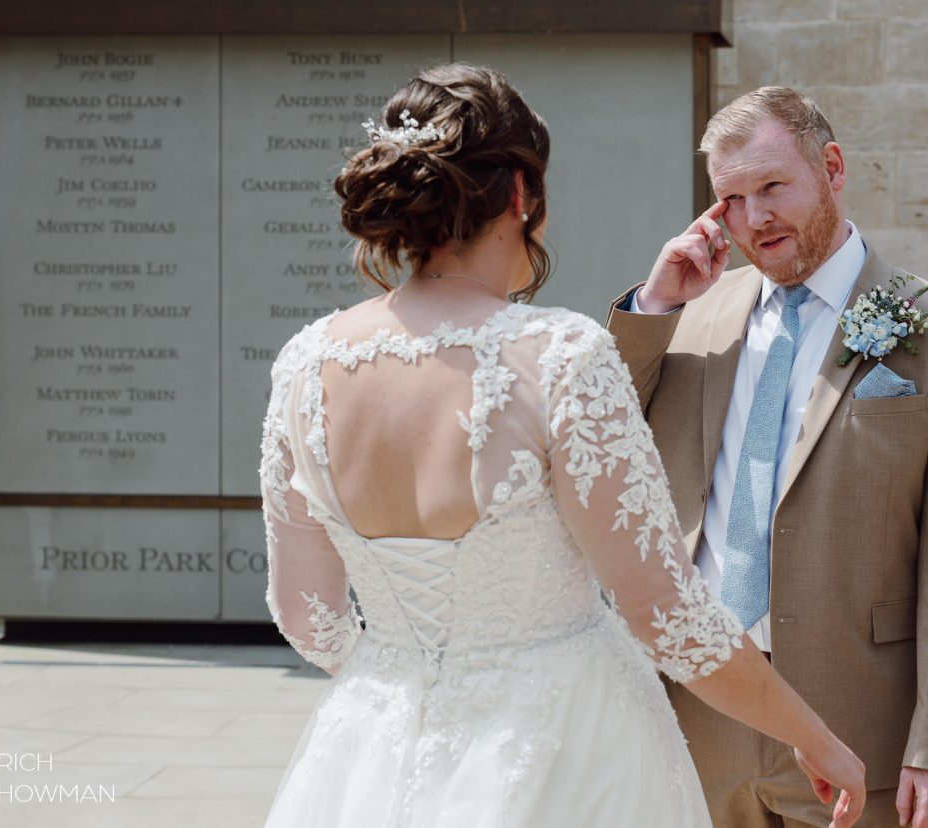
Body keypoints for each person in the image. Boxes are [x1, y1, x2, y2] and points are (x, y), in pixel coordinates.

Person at [258, 64, 864, 828]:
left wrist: (410, 678)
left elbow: (304, 610)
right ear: (520, 194)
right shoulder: (558, 355)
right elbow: (668, 614)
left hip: (373, 746)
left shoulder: (306, 364)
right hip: (565, 749)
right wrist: (814, 739)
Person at [606, 86, 928, 828]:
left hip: (857, 726)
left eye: (773, 186)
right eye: (732, 199)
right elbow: (599, 438)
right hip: (696, 719)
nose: (756, 218)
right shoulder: (691, 316)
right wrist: (655, 307)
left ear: (832, 166)